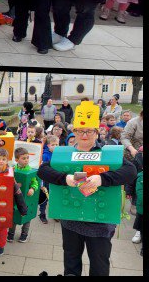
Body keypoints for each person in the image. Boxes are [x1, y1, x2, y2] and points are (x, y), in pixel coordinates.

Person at [37, 104, 137, 276]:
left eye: (89, 131)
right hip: (71, 219)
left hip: (100, 222)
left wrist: (102, 178)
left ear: (96, 132)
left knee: (99, 266)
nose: (84, 135)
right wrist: (65, 178)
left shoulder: (108, 154)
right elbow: (43, 170)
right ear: (74, 132)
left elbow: (131, 171)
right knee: (71, 263)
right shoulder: (64, 154)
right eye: (80, 131)